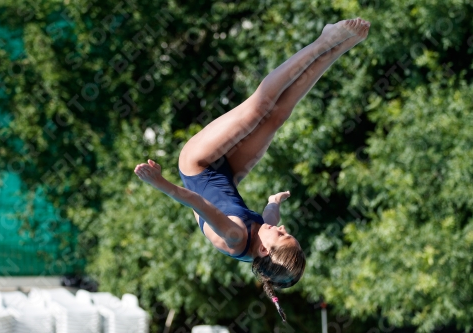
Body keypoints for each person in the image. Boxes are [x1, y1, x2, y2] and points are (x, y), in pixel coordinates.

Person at [134, 18, 371, 322]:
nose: (284, 229)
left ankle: (325, 41)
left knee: (257, 109)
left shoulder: (234, 237)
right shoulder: (263, 234)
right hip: (229, 173)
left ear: (263, 252)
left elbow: (197, 201)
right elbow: (270, 216)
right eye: (288, 233)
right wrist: (274, 202)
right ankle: (339, 48)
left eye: (282, 237)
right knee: (276, 117)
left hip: (197, 164)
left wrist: (160, 183)